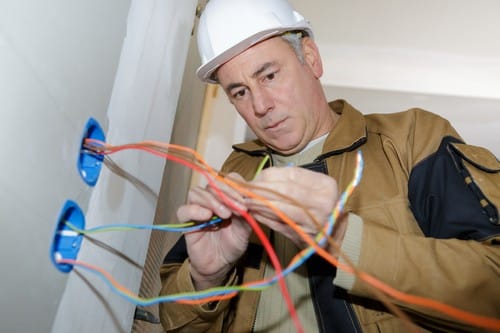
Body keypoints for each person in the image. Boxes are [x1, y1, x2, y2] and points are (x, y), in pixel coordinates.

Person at [159, 0, 500, 332]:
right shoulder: (236, 172)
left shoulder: (410, 139)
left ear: (310, 57)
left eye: (269, 75)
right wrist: (207, 278)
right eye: (240, 92)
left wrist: (341, 237)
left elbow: (493, 287)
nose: (260, 106)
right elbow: (175, 321)